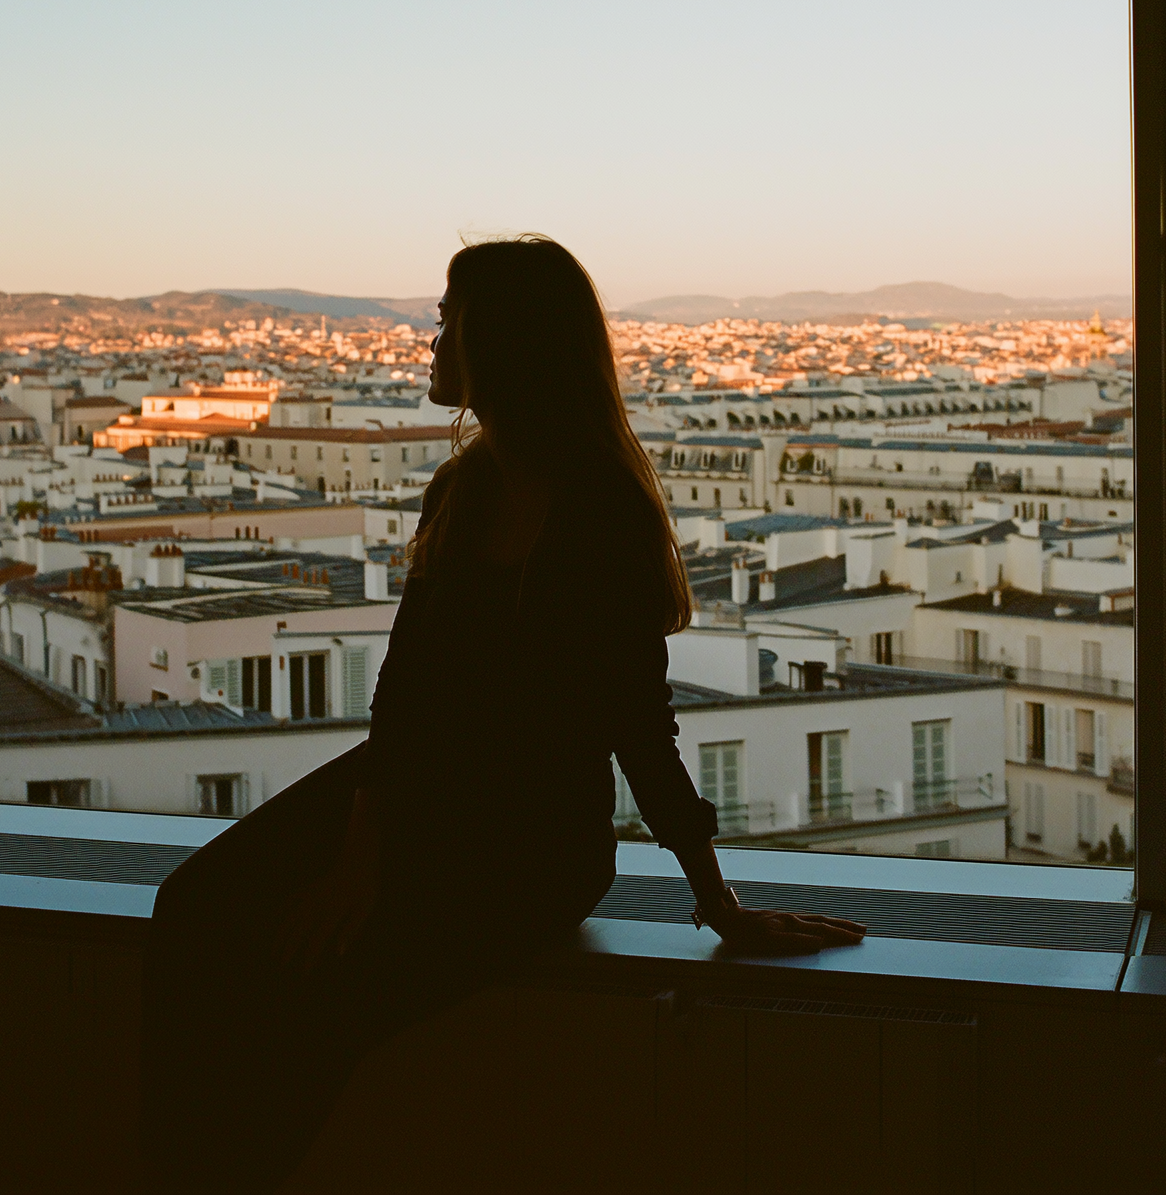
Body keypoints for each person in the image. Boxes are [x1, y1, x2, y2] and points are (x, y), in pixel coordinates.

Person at [141, 235, 864, 1191]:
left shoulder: (596, 511)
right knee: (193, 910)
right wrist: (367, 847)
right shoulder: (465, 486)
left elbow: (635, 724)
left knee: (305, 994)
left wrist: (715, 899)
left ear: (509, 341)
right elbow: (406, 687)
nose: (430, 341)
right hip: (416, 798)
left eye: (450, 320)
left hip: (524, 841)